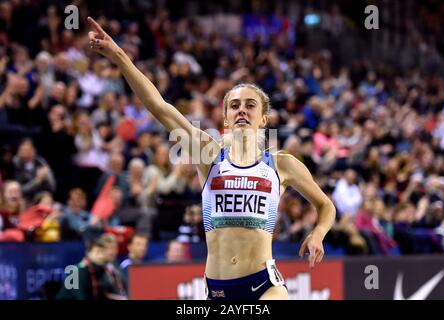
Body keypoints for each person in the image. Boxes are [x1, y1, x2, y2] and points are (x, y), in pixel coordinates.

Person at [87, 17, 336, 300]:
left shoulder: (282, 164)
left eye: (250, 105)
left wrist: (318, 233)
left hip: (265, 284)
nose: (242, 110)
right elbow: (159, 107)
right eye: (234, 105)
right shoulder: (209, 155)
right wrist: (120, 56)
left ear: (264, 118)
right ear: (226, 117)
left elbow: (325, 205)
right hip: (217, 289)